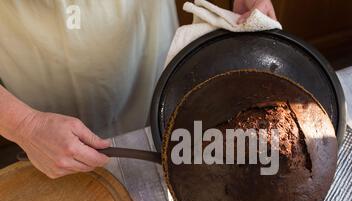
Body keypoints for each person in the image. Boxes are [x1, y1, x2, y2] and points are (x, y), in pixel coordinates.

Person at [0, 0, 276, 179]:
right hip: (34, 50)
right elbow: (27, 124)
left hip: (142, 29)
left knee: (163, 127)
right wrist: (26, 125)